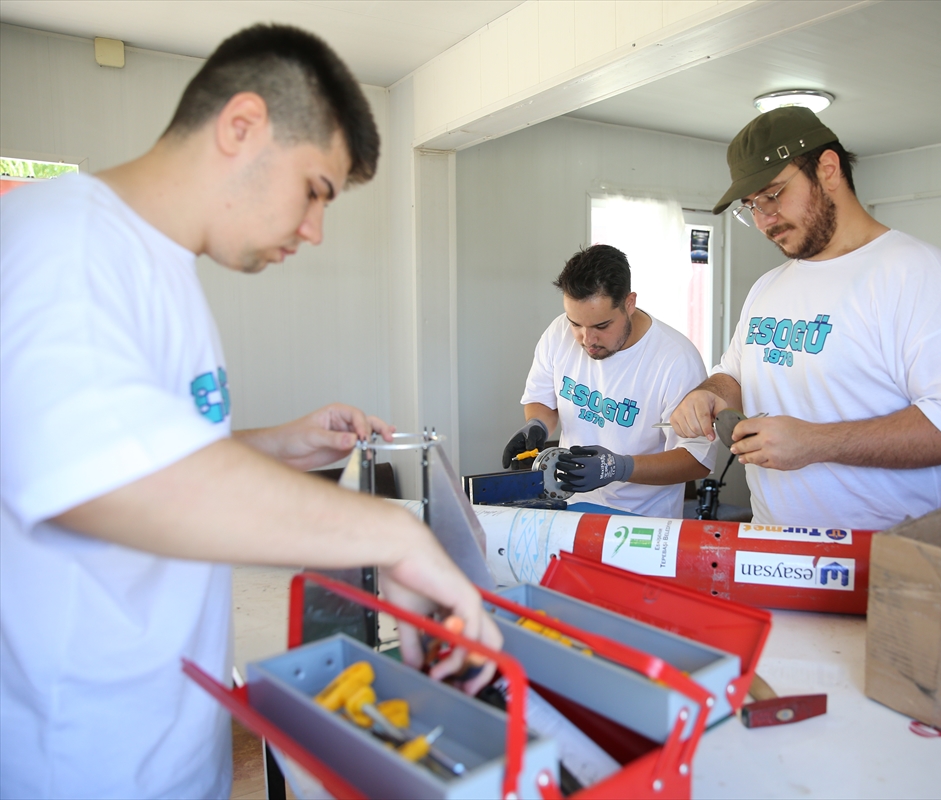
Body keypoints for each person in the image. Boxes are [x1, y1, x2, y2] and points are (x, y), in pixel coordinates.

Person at [0, 25, 500, 799]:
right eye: (315, 191)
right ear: (241, 127)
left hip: (169, 741)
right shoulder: (61, 242)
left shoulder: (160, 267)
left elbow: (141, 446)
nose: (315, 230)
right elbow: (103, 479)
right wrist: (391, 532)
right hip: (80, 762)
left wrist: (278, 445)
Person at [670, 107, 941, 529]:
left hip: (888, 557)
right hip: (774, 547)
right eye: (751, 206)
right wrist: (709, 393)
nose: (764, 220)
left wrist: (815, 443)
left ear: (828, 169)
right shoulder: (768, 288)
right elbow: (733, 375)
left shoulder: (917, 274)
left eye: (772, 195)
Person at [503, 244, 716, 518]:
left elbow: (697, 460)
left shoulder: (676, 360)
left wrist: (619, 468)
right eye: (576, 324)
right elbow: (541, 400)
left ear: (629, 303)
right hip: (569, 510)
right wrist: (538, 425)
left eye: (601, 326)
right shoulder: (558, 333)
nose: (586, 339)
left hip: (642, 522)